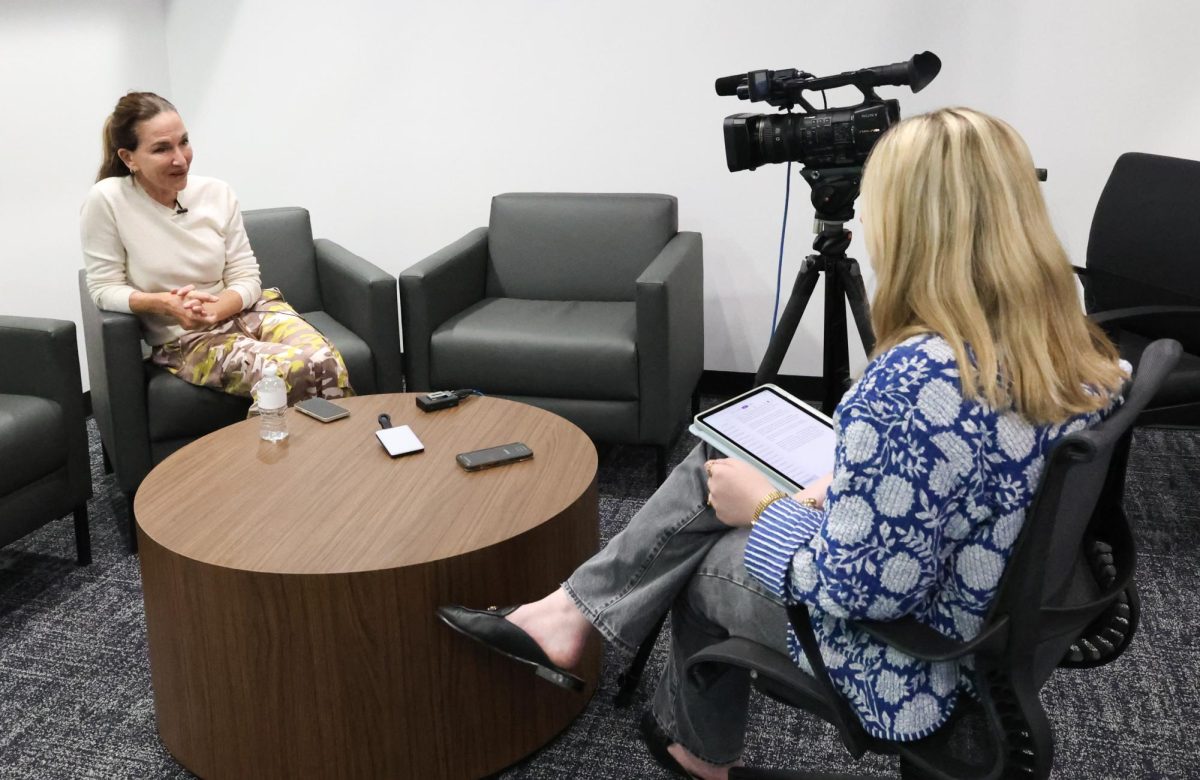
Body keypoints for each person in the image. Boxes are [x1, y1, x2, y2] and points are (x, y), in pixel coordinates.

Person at [437, 107, 1128, 779]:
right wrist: (846, 487)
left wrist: (766, 509)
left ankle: (693, 748)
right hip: (998, 594)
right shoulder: (1067, 336)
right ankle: (566, 612)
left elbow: (862, 591)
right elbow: (973, 461)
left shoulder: (916, 379)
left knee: (701, 559)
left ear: (912, 225)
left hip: (918, 654)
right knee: (716, 455)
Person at [81, 92, 353, 407]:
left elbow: (247, 276)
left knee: (326, 359)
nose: (180, 159)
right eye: (161, 149)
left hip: (251, 312)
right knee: (292, 368)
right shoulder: (107, 200)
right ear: (129, 158)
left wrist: (215, 310)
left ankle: (333, 454)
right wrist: (166, 304)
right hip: (185, 341)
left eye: (184, 142)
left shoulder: (217, 192)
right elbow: (103, 288)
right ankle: (270, 455)